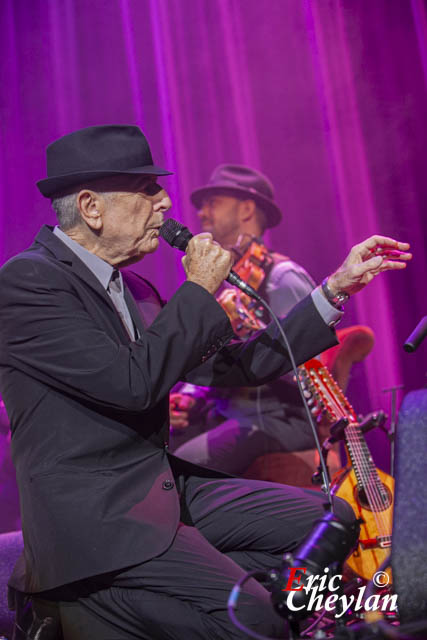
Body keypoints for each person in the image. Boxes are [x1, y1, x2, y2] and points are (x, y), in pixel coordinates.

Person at [0, 125, 411, 640]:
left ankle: (278, 615)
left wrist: (333, 290)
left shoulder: (136, 287)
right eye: (148, 190)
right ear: (91, 207)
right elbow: (131, 384)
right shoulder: (29, 282)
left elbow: (236, 367)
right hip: (100, 523)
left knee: (333, 519)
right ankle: (116, 608)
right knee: (257, 617)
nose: (166, 202)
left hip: (162, 495)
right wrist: (198, 288)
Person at [169, 164, 332, 474]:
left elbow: (311, 366)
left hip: (280, 417)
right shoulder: (231, 281)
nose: (202, 212)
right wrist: (190, 396)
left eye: (212, 202)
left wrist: (257, 338)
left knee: (186, 463)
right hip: (228, 415)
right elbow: (220, 361)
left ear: (245, 209)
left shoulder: (281, 277)